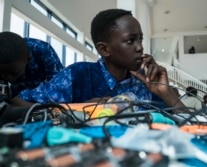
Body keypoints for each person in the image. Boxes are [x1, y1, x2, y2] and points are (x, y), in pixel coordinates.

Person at [11, 9, 186, 113]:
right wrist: (77, 109)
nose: (140, 47)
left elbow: (193, 125)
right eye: (130, 41)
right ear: (104, 49)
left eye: (140, 40)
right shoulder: (78, 75)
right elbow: (18, 102)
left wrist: (166, 92)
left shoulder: (146, 81)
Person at [0, 31, 64, 99]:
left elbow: (59, 88)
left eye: (14, 73)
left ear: (29, 59)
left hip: (40, 92)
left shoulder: (43, 51)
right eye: (2, 73)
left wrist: (22, 99)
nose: (9, 79)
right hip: (17, 92)